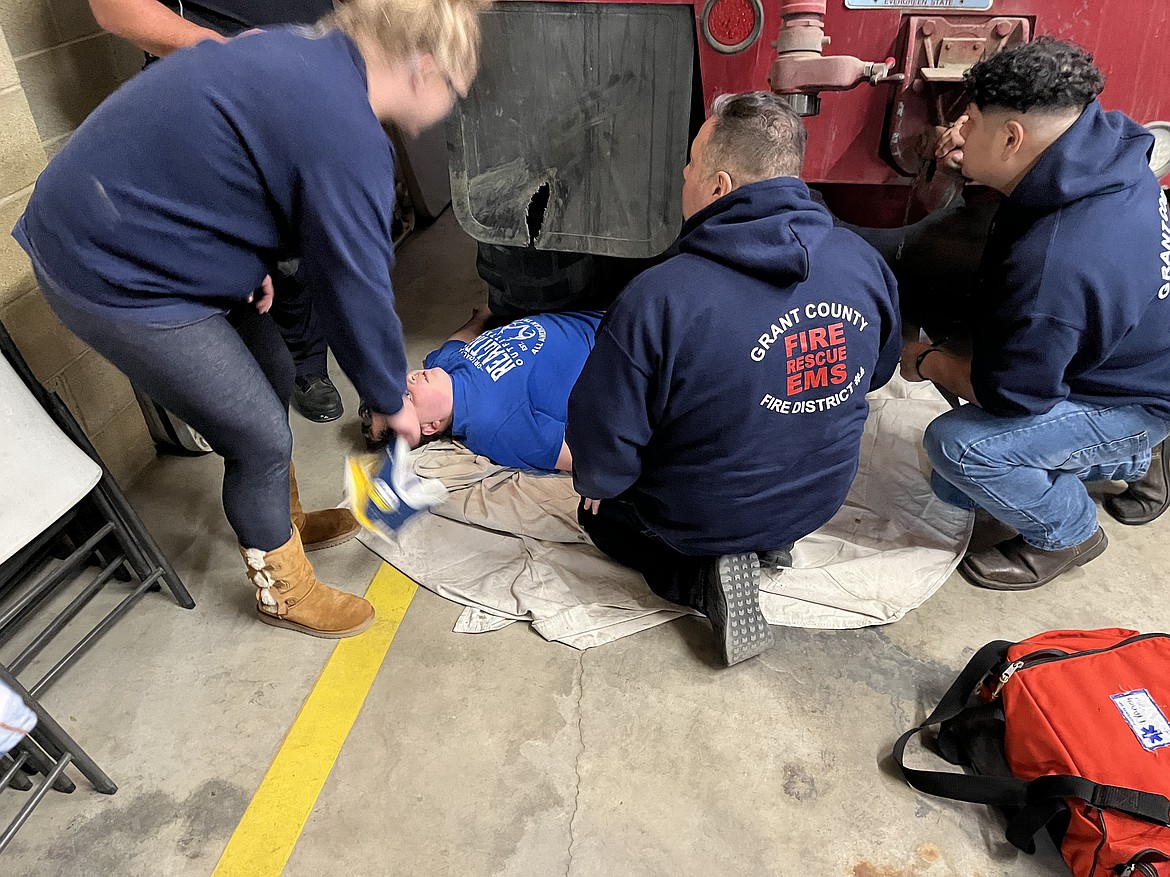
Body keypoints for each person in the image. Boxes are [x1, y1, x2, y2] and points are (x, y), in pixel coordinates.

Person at [13, 0, 486, 638]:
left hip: (141, 231)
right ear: (424, 68)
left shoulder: (301, 52)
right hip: (107, 264)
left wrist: (247, 257)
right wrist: (388, 396)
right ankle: (281, 589)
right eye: (458, 89)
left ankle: (280, 525)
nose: (454, 106)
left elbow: (235, 167)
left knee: (271, 365)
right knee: (258, 435)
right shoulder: (348, 131)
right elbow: (351, 286)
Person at [566, 91, 902, 667]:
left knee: (601, 513)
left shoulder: (658, 298)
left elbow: (603, 459)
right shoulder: (863, 261)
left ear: (719, 186)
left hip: (694, 520)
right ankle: (770, 539)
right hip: (817, 502)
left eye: (692, 163)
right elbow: (878, 373)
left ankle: (699, 575)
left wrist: (599, 482)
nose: (683, 174)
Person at [901, 37, 1170, 591]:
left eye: (970, 122)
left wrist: (924, 359)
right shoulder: (1106, 147)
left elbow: (1009, 395)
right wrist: (980, 166)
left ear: (1013, 136)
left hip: (1131, 397)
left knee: (959, 455)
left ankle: (1070, 530)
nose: (959, 132)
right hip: (1140, 351)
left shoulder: (1058, 265)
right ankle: (1125, 458)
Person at [88, 0, 349, 422]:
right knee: (251, 266)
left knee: (307, 243)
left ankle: (306, 366)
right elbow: (118, 8)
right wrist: (234, 53)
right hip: (223, 89)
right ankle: (254, 401)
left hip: (312, 76)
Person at [382, 305, 602, 472]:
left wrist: (482, 315)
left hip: (600, 314)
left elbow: (458, 339)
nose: (409, 378)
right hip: (618, 350)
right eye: (408, 396)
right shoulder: (495, 428)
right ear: (430, 426)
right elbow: (579, 459)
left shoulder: (441, 365)